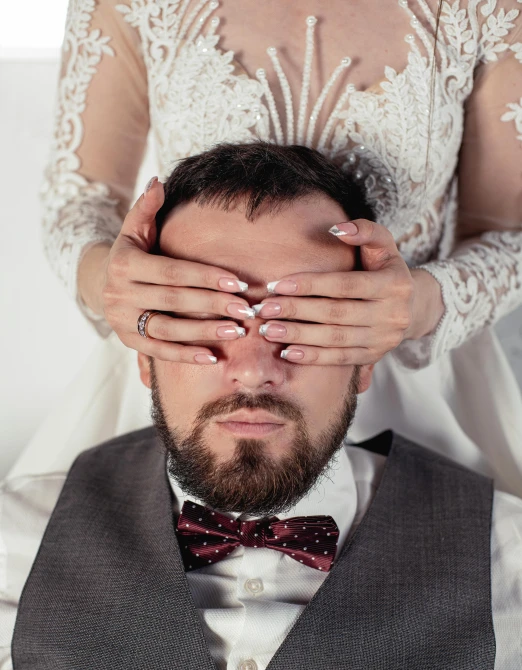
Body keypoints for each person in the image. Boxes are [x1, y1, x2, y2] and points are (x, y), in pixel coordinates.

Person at [2, 143, 521, 670]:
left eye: (300, 325)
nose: (253, 370)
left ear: (364, 357)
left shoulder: (500, 552)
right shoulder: (22, 533)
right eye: (205, 322)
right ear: (142, 352)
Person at [9, 0, 522, 497]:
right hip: (196, 364)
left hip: (407, 375)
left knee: (466, 566)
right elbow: (79, 199)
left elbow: (508, 231)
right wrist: (110, 283)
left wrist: (416, 307)